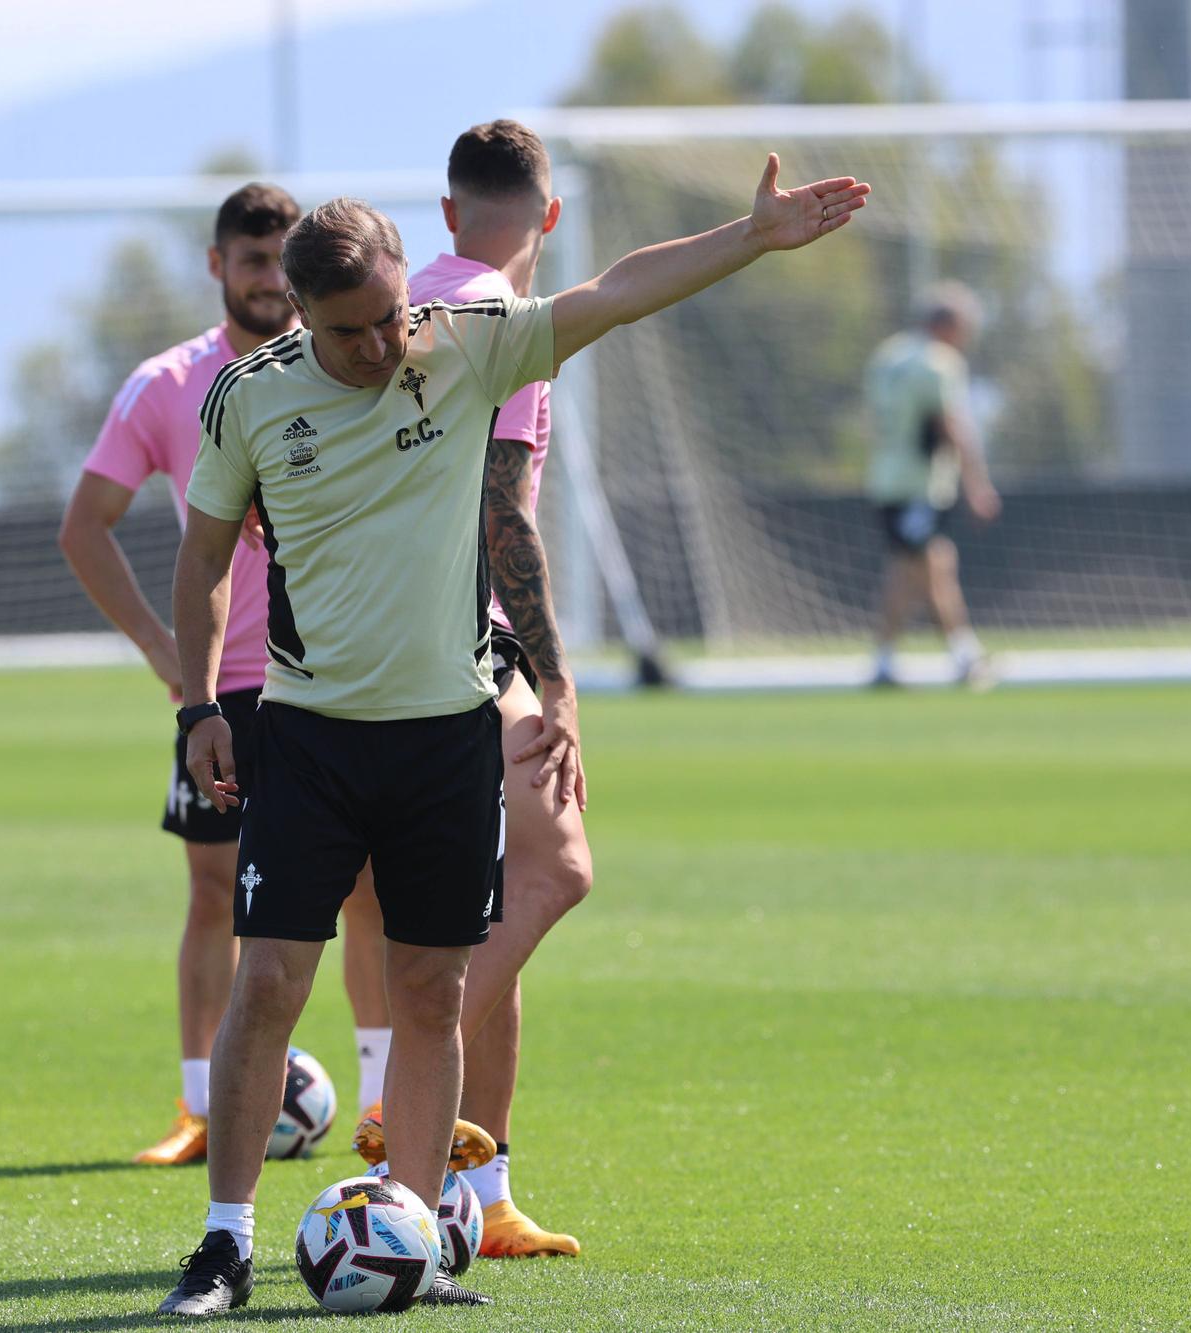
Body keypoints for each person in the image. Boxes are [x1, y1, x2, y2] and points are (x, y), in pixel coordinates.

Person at [157, 154, 869, 1316]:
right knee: (274, 980)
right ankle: (224, 1244)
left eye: (391, 316)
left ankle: (412, 1233)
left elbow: (613, 292)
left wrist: (749, 240)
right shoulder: (250, 398)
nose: (382, 347)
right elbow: (199, 561)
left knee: (431, 991)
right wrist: (195, 706)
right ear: (300, 317)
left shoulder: (462, 345)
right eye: (351, 333)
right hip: (309, 737)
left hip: (444, 737)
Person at [61, 182, 400, 1164]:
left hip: (340, 674)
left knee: (366, 889)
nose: (263, 279)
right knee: (215, 893)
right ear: (217, 266)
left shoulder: (351, 360)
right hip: (228, 684)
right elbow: (84, 528)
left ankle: (379, 1103)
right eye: (246, 261)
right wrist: (169, 658)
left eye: (275, 260)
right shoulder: (166, 385)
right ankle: (198, 1108)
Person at [338, 119, 588, 1259]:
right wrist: (556, 679)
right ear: (547, 216)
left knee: (486, 916)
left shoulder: (397, 305)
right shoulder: (504, 320)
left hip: (353, 650)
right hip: (463, 651)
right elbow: (506, 517)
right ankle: (403, 1111)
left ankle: (478, 1201)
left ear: (445, 214)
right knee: (560, 868)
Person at [864, 282, 1001, 688]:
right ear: (948, 325)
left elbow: (873, 422)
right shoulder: (938, 363)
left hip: (887, 477)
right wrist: (977, 484)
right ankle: (895, 662)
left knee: (934, 565)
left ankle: (961, 655)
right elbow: (950, 425)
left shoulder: (888, 355)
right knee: (913, 571)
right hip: (917, 485)